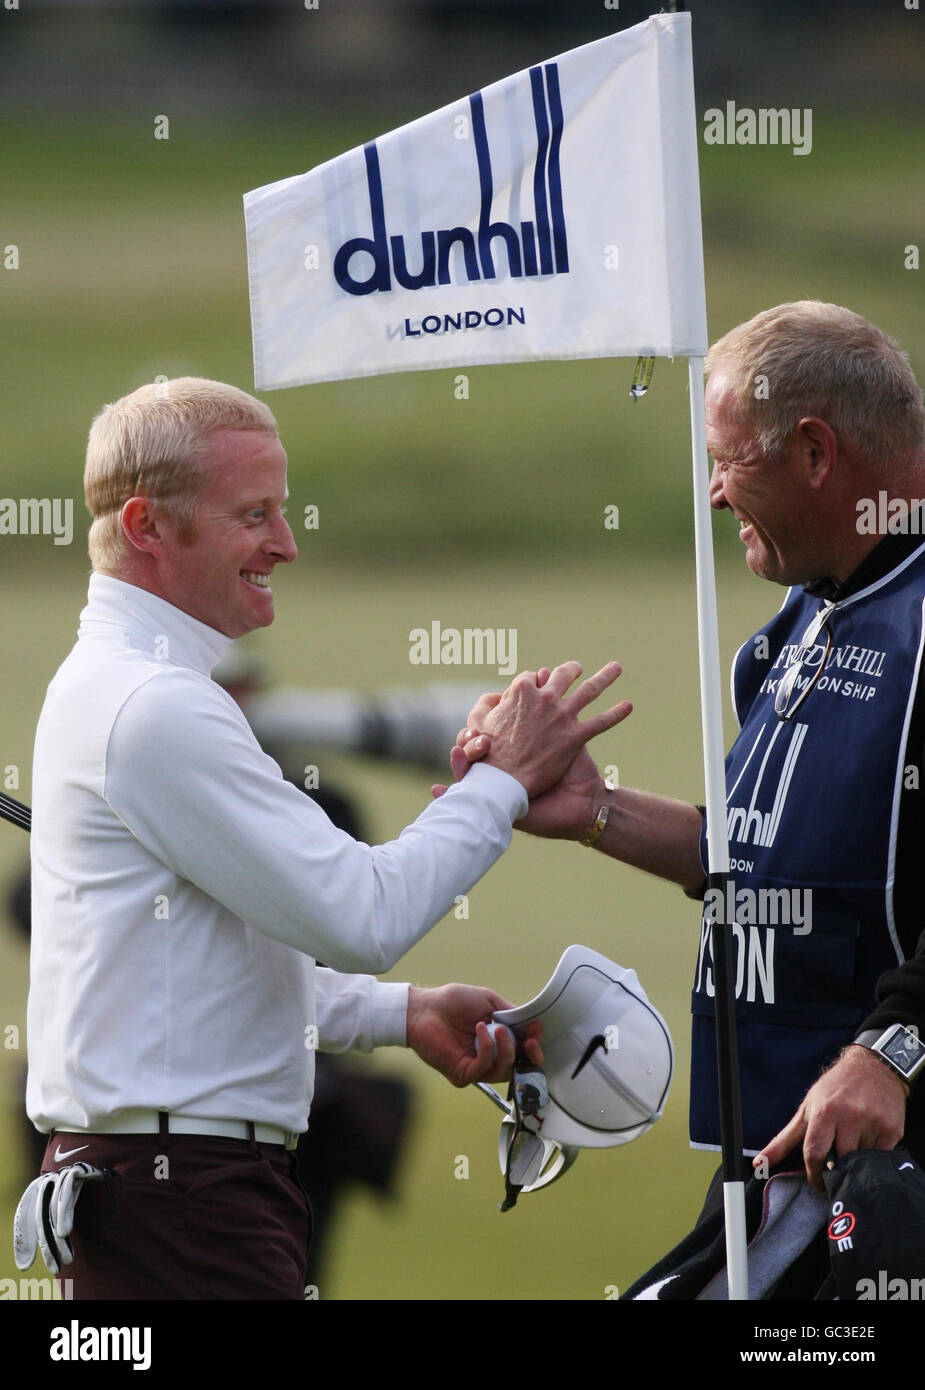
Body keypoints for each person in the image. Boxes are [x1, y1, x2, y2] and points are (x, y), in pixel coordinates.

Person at [25, 376, 630, 1300]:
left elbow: (198, 975)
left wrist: (397, 1013)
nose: (286, 542)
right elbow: (362, 913)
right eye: (254, 513)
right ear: (148, 527)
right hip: (178, 1208)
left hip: (170, 1198)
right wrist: (503, 781)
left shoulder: (135, 687)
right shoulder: (153, 706)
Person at [448, 302, 925, 1287]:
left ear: (814, 452)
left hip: (888, 1182)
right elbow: (759, 858)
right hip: (781, 1163)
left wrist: (892, 1052)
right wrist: (595, 813)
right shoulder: (798, 622)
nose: (711, 493)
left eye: (726, 459)